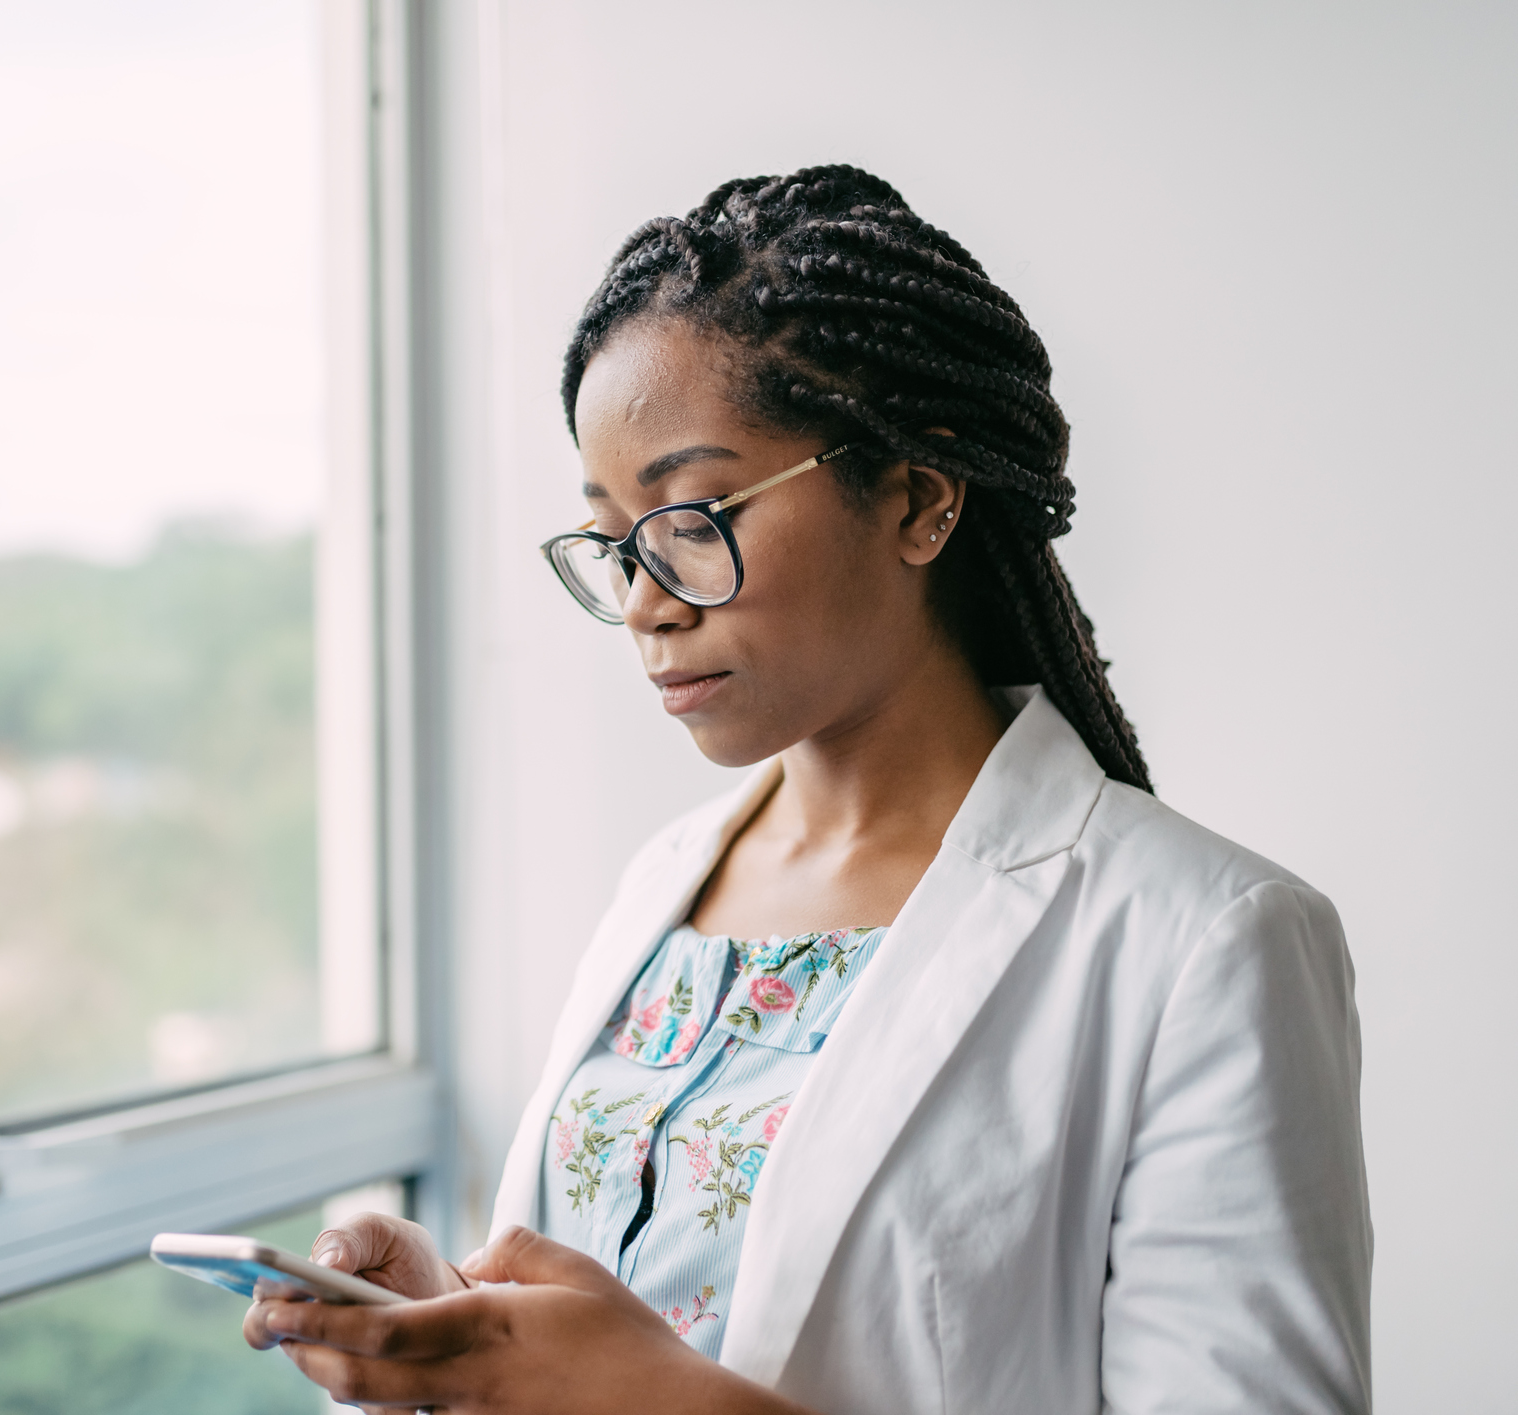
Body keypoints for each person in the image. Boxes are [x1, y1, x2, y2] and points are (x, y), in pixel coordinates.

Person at [245, 165, 1371, 1413]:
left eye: (692, 515)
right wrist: (455, 1333)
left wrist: (667, 1400)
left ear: (916, 497)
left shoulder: (1207, 939)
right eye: (614, 536)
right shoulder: (666, 885)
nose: (644, 599)